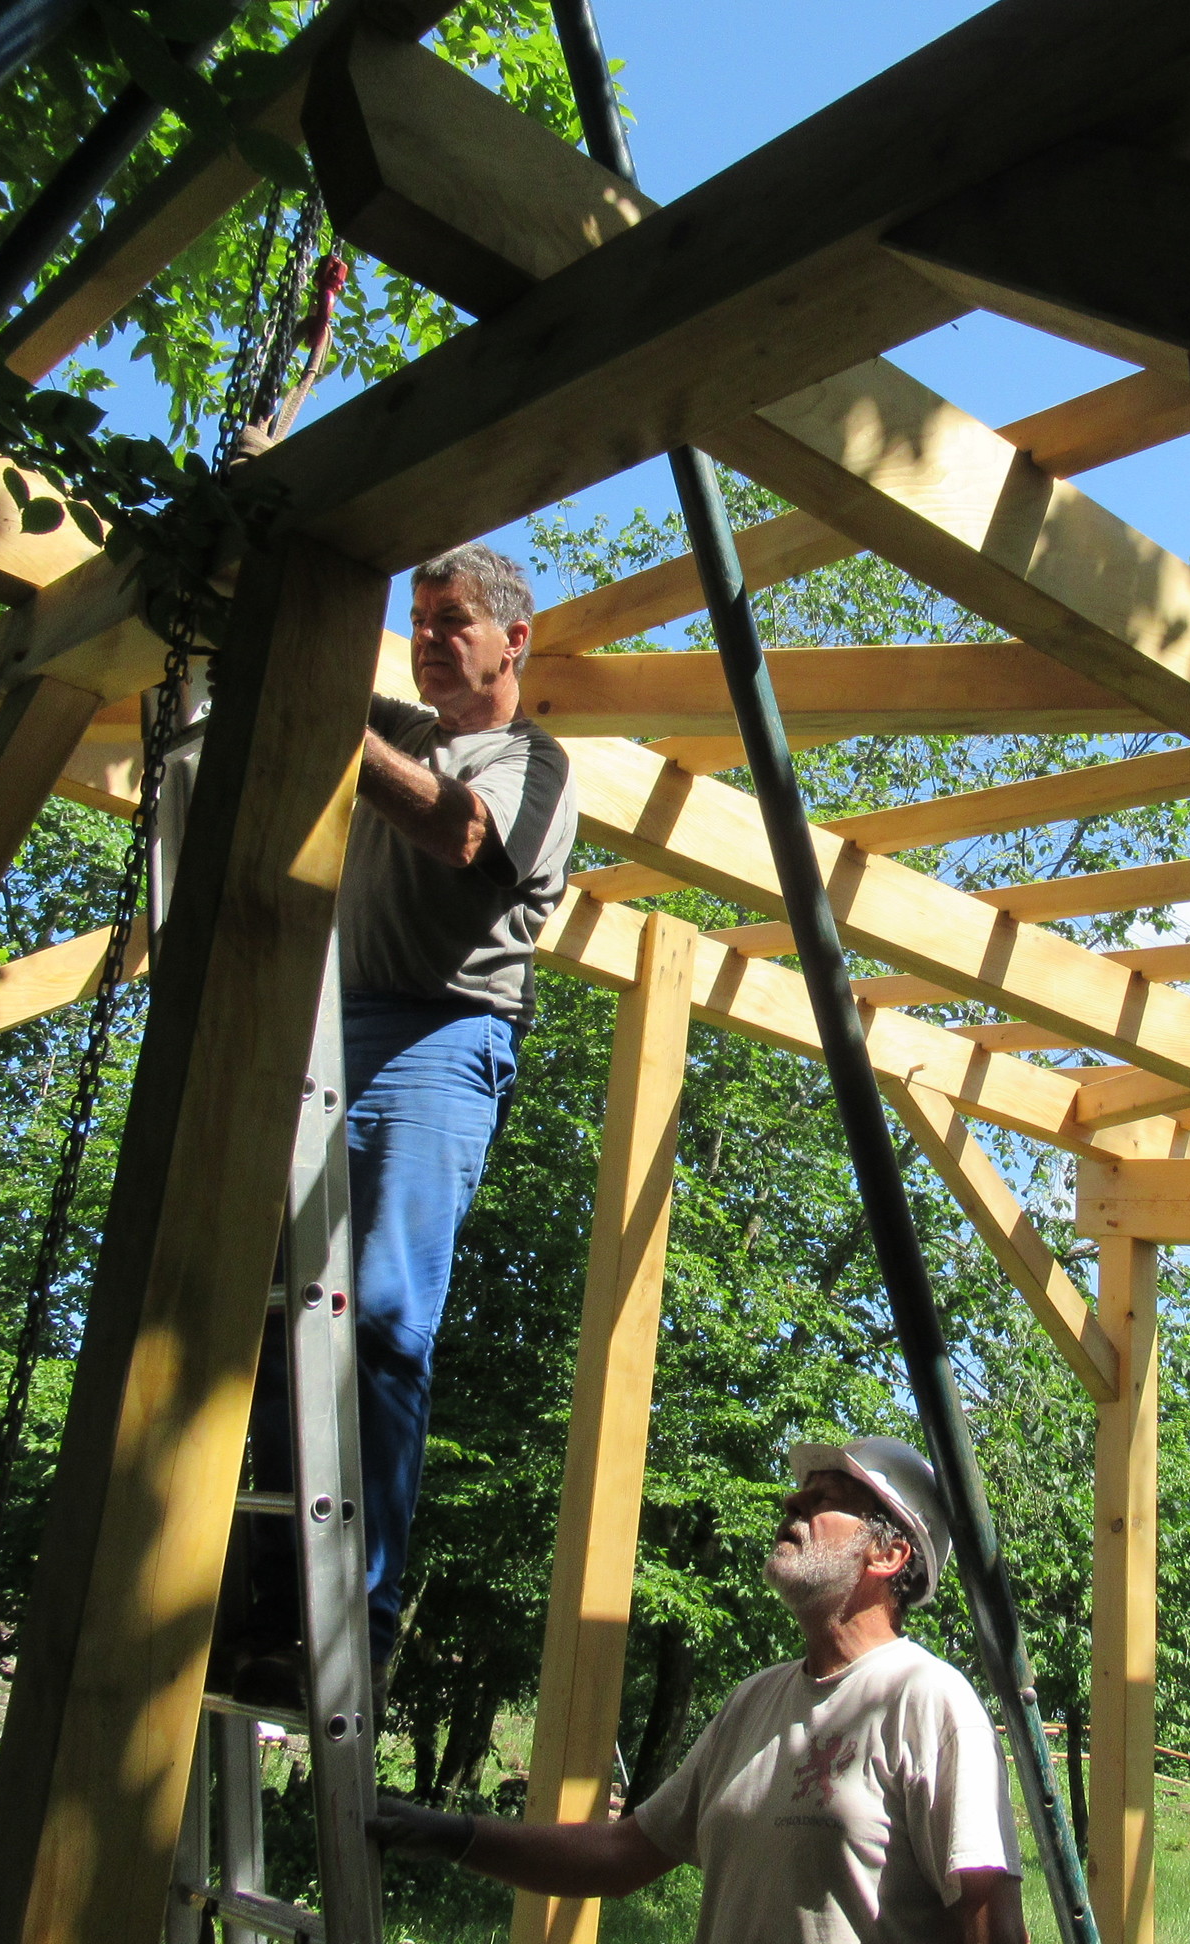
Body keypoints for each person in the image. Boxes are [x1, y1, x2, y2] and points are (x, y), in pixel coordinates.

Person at [231, 539, 579, 1707]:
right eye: (418, 621)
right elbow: (290, 668)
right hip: (334, 1025)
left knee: (381, 1318)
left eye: (451, 622)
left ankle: (359, 1625)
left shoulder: (532, 761)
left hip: (444, 1036)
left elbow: (463, 835)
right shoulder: (394, 724)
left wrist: (325, 721)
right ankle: (267, 1607)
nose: (427, 640)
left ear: (512, 641)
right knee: (276, 1326)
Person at [369, 1436, 1027, 1944]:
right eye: (798, 1494)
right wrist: (451, 1835)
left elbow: (991, 1926)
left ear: (888, 1555)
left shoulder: (929, 1702)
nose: (791, 1505)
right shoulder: (754, 1703)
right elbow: (621, 1856)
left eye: (824, 1498)